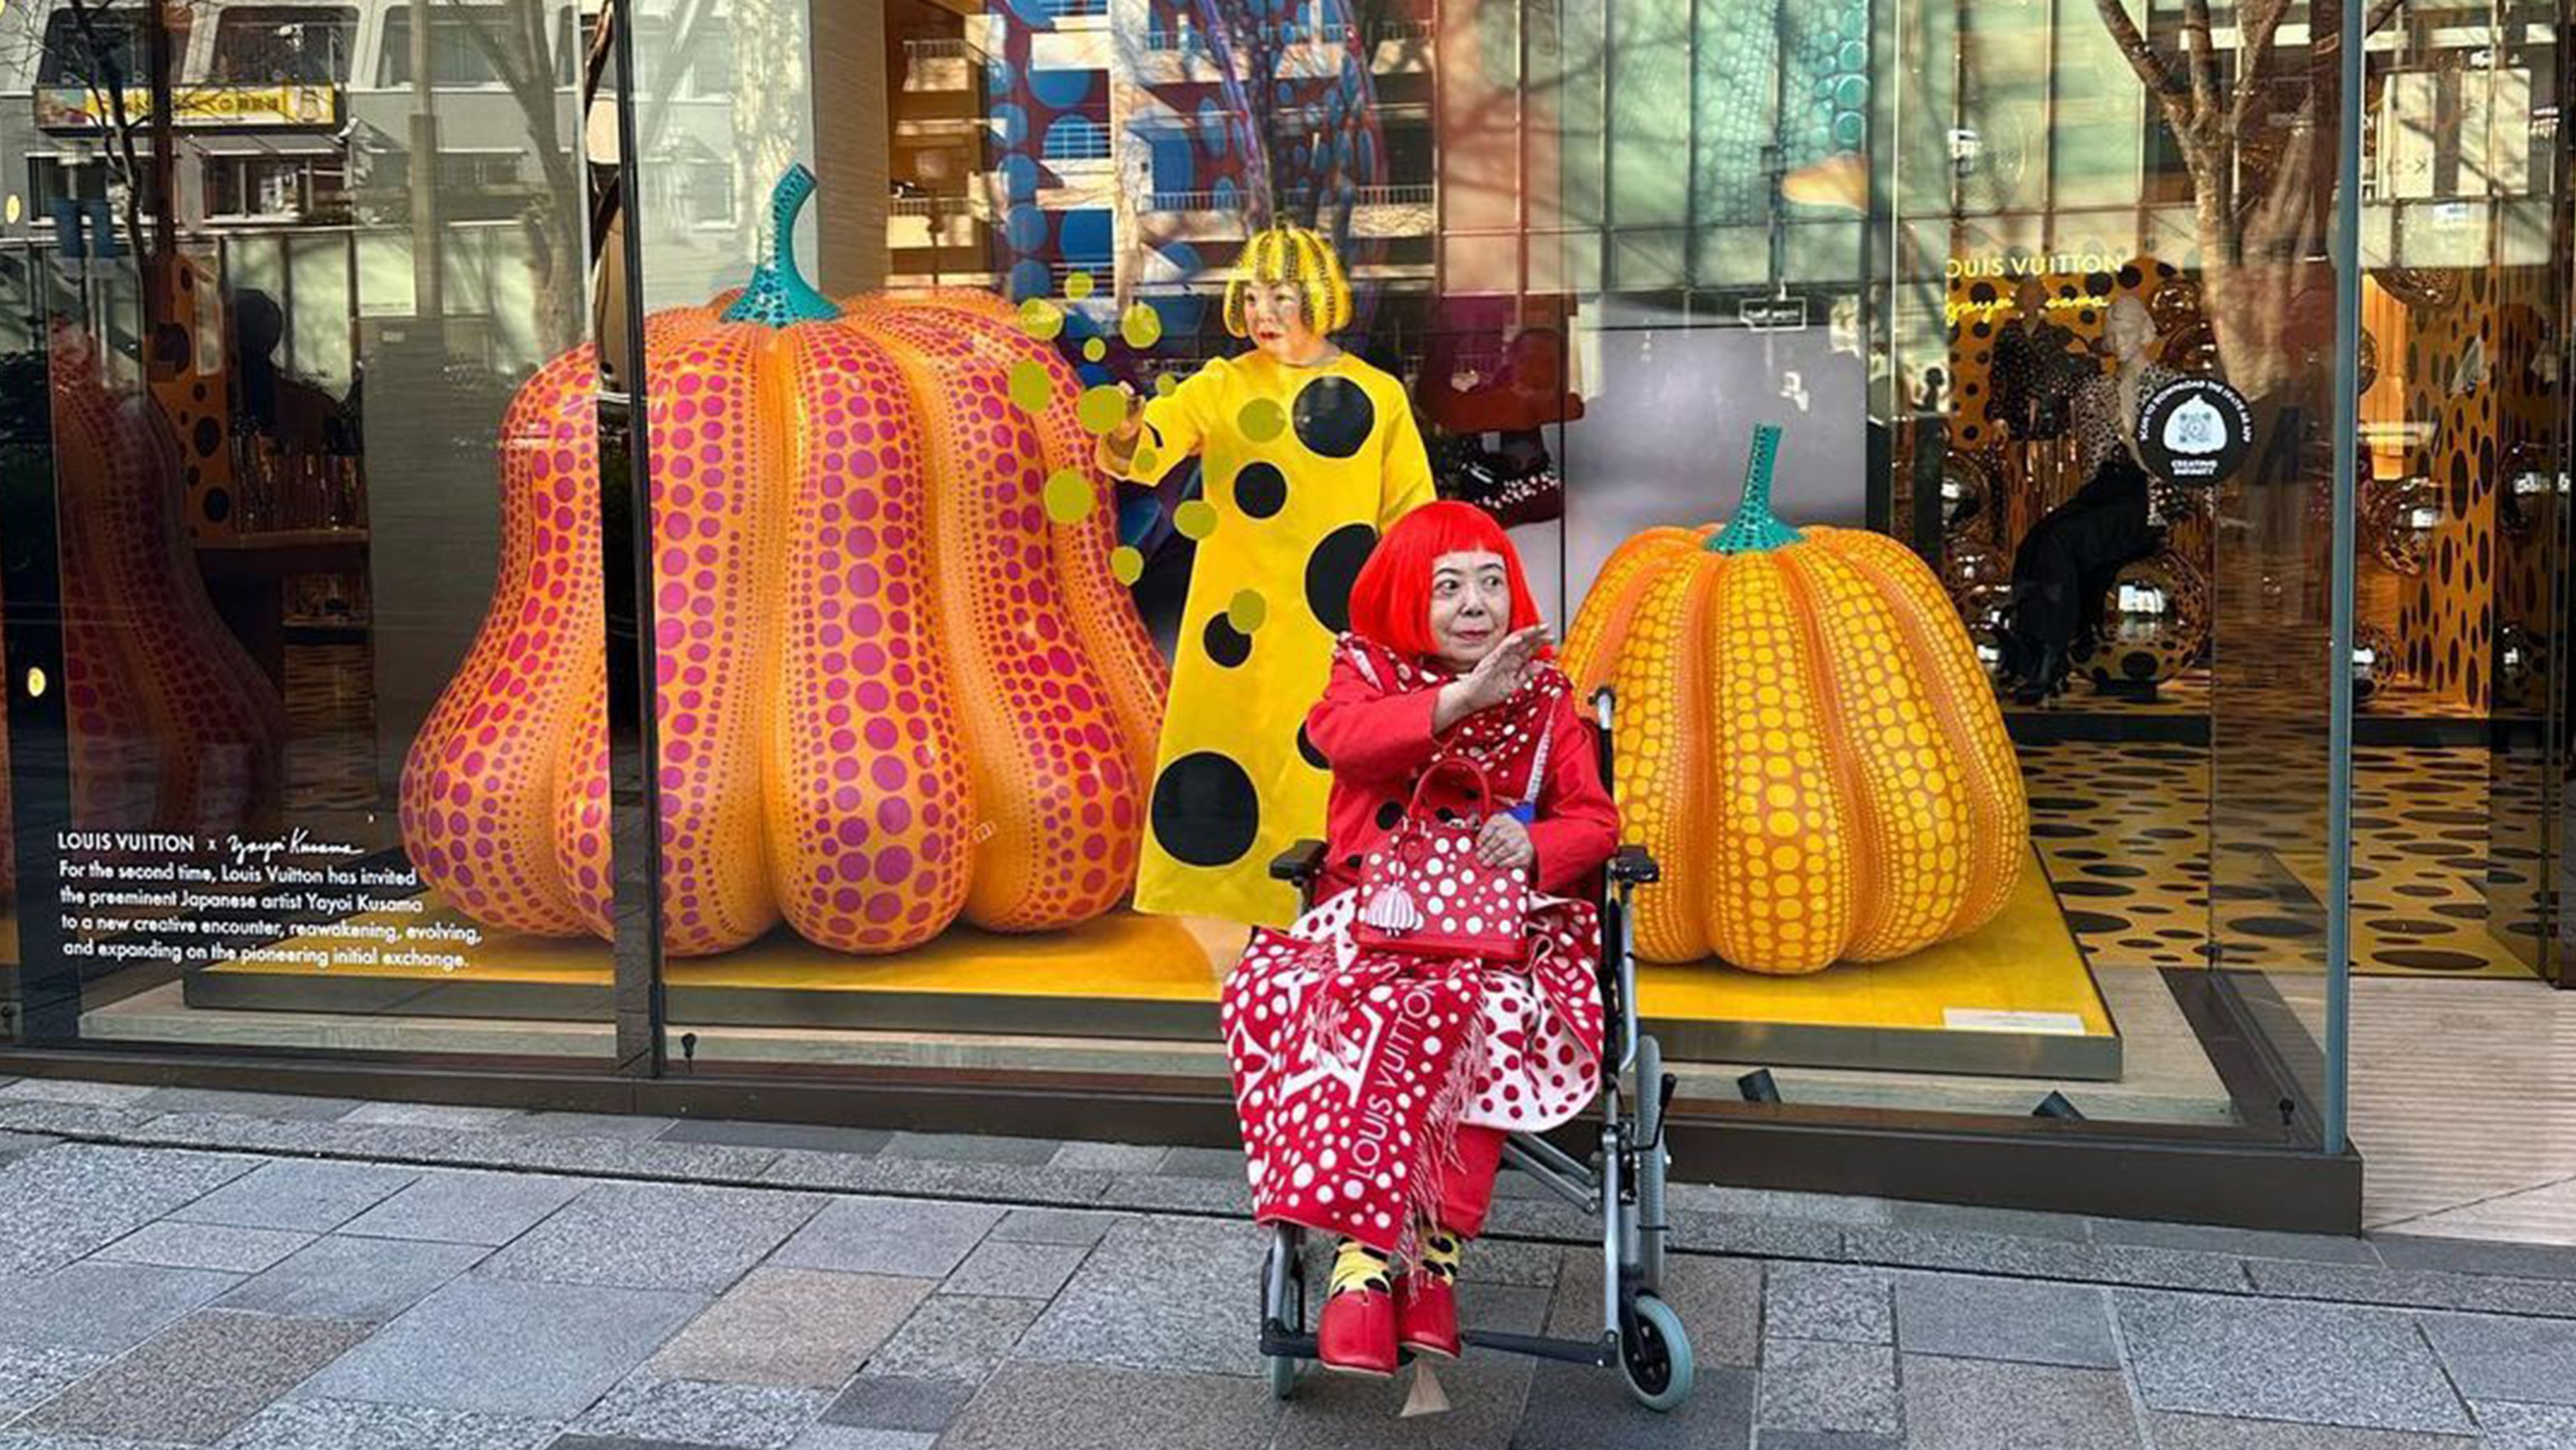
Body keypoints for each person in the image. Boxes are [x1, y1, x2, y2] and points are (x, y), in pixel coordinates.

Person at [1218, 501, 1616, 1378]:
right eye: (1447, 587)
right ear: (1405, 598)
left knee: (1475, 1013)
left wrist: (1538, 846)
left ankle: (1428, 1262)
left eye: (1489, 582)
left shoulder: (1549, 698)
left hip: (1503, 933)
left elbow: (1595, 820)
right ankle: (1363, 1269)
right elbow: (1344, 743)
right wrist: (1462, 700)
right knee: (1321, 997)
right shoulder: (1362, 675)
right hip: (1377, 916)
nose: (1474, 604)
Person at [1102, 223, 1436, 927]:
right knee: (1238, 754)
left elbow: (1413, 518)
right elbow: (1148, 450)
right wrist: (1128, 429)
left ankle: (1340, 907)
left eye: (1280, 295)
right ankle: (1250, 921)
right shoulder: (1221, 386)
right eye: (1251, 296)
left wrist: (1418, 624)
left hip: (1338, 625)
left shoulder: (1376, 395)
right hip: (1240, 625)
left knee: (1327, 759)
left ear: (1318, 297)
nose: (1262, 312)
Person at [2002, 294, 2180, 703]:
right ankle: (2031, 647)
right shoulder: (2096, 390)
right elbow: (2092, 455)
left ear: (2146, 332)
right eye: (2111, 330)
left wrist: (2134, 436)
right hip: (2105, 487)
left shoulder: (2170, 387)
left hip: (2149, 492)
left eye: (2126, 329)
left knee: (2064, 542)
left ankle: (2050, 653)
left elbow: (2178, 458)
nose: (2117, 338)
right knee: (2036, 540)